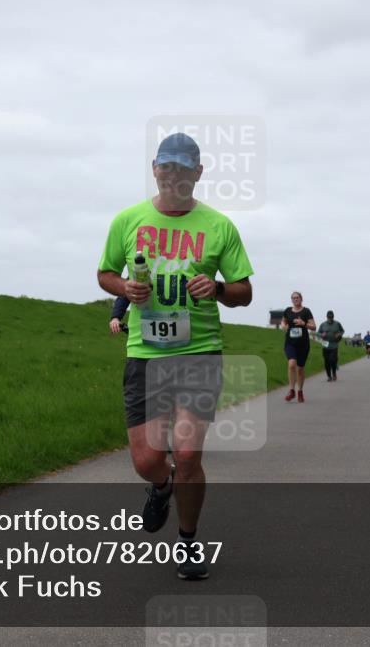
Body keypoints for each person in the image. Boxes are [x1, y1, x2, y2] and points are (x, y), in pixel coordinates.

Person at [97, 132, 253, 581]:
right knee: (148, 461)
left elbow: (244, 291)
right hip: (145, 353)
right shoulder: (128, 220)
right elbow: (105, 272)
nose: (174, 177)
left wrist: (219, 288)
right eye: (166, 168)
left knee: (186, 455)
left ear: (198, 174)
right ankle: (159, 487)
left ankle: (187, 543)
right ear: (154, 169)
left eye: (184, 170)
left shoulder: (219, 226)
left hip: (199, 353)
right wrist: (125, 288)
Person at [280, 292, 315, 401]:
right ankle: (291, 390)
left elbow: (314, 327)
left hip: (303, 344)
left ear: (301, 299)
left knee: (300, 368)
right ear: (291, 300)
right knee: (291, 364)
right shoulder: (288, 310)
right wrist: (283, 326)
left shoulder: (306, 311)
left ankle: (300, 391)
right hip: (290, 343)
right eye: (293, 298)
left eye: (297, 297)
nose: (295, 299)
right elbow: (283, 321)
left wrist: (303, 323)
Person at [317, 311, 344, 381]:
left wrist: (339, 334)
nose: (330, 319)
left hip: (334, 345)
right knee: (326, 361)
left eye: (331, 317)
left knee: (332, 360)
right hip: (325, 345)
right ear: (327, 317)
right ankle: (329, 376)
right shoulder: (323, 324)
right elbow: (318, 333)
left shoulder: (337, 324)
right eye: (329, 317)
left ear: (333, 317)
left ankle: (334, 373)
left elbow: (342, 331)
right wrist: (321, 335)